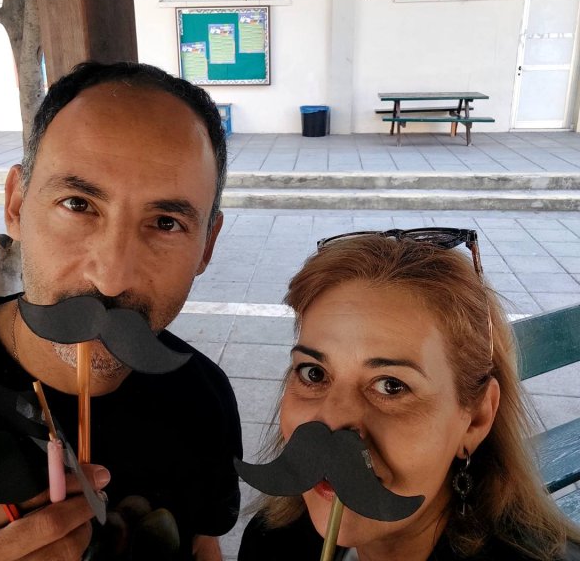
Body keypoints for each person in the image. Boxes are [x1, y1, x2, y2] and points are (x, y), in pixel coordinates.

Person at [0, 61, 241, 560]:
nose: (111, 279)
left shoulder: (203, 398)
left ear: (207, 245)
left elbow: (202, 545)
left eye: (166, 222)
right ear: (16, 206)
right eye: (78, 204)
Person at [238, 229, 580, 561]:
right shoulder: (270, 542)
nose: (332, 421)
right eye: (314, 373)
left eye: (391, 385)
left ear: (476, 419)